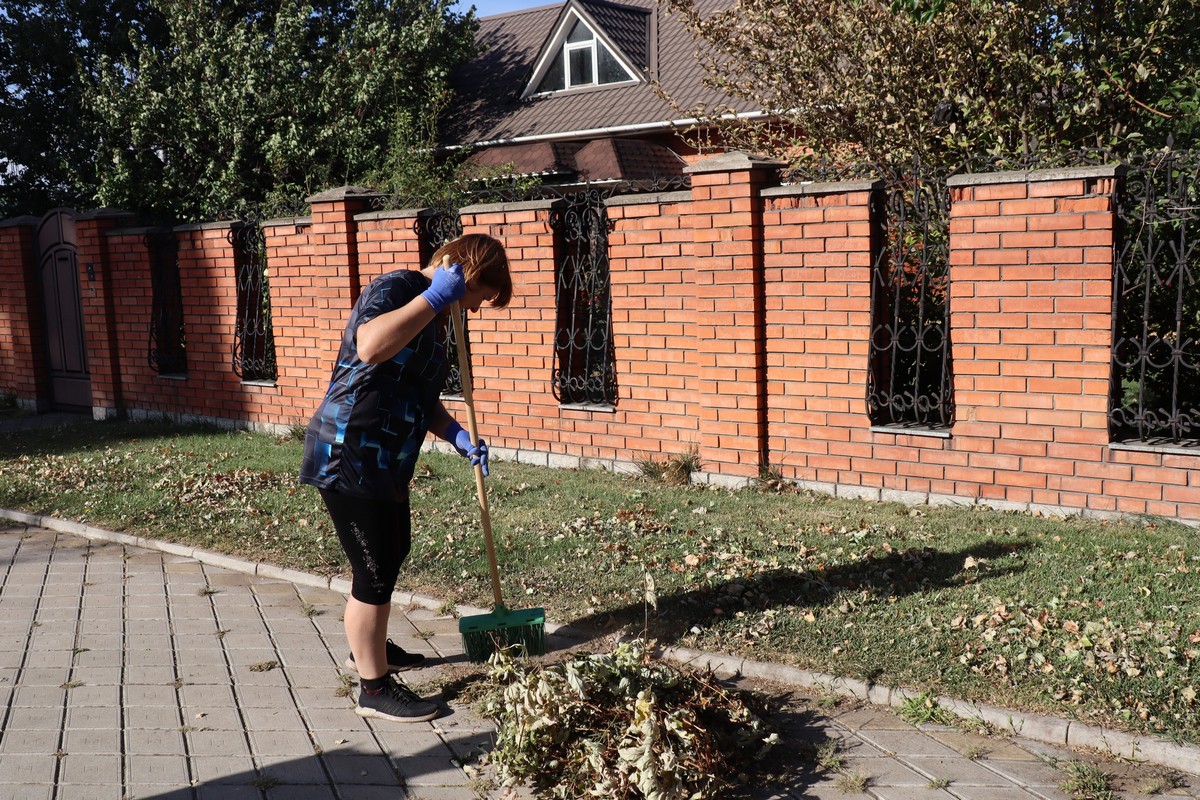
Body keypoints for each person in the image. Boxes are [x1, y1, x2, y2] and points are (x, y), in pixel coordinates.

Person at [299, 233, 513, 722]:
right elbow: (370, 345)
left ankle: (370, 649)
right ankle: (373, 689)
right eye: (481, 296)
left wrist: (455, 433)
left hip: (386, 460)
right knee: (373, 567)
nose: (476, 309)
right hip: (349, 450)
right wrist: (434, 295)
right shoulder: (399, 289)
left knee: (390, 551)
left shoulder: (434, 321)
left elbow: (419, 397)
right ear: (469, 276)